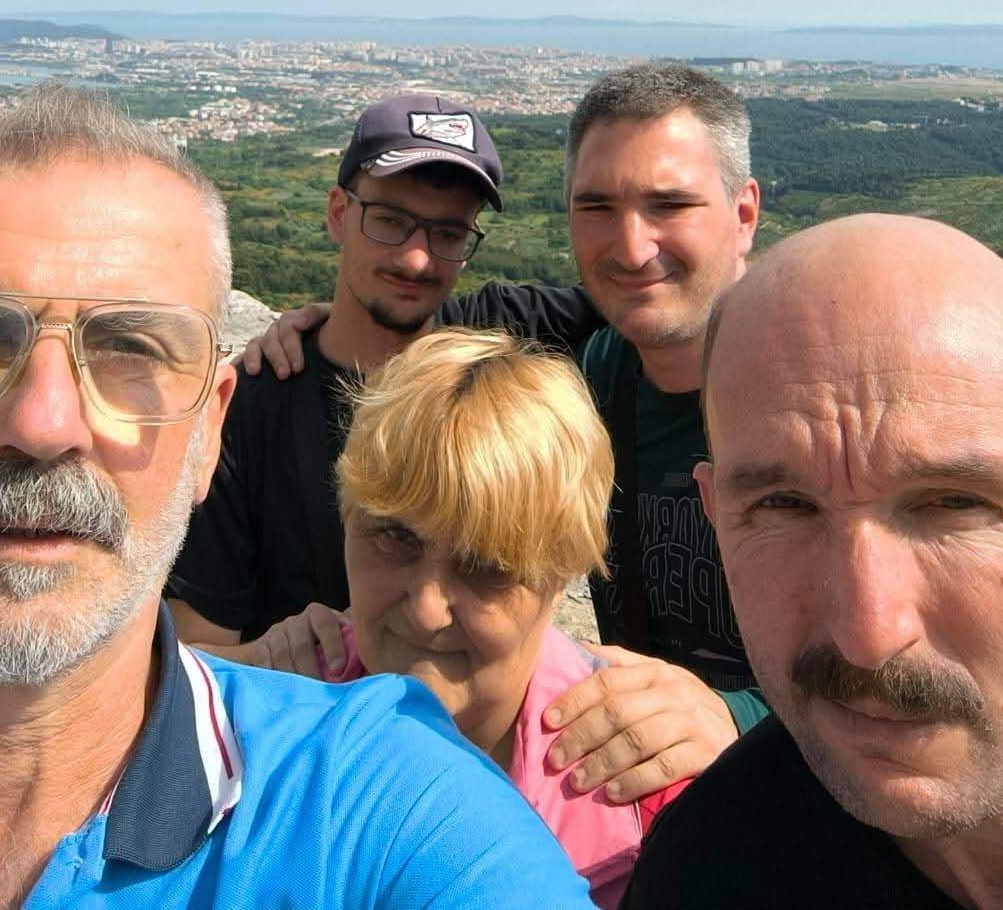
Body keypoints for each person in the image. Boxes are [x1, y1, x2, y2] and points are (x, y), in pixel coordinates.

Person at [0, 82, 597, 910]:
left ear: (208, 428)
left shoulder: (385, 795)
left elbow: (656, 302)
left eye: (129, 349)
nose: (44, 424)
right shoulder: (274, 395)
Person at [233, 64, 770, 804]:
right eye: (596, 207)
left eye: (670, 204)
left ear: (744, 213)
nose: (631, 247)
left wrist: (738, 719)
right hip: (625, 790)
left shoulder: (826, 396)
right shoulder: (594, 362)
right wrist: (321, 327)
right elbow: (414, 331)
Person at [624, 213, 1003, 908]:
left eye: (954, 503)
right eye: (784, 506)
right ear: (717, 518)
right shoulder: (704, 873)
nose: (867, 635)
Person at [260, 327, 691, 907]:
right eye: (394, 536)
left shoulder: (660, 809)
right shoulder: (260, 724)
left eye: (487, 564)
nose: (426, 609)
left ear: (559, 579)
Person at [167, 92, 602, 660]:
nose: (417, 259)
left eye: (448, 234)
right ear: (338, 214)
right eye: (390, 221)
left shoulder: (495, 336)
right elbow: (192, 652)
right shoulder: (252, 408)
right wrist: (276, 655)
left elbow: (648, 298)